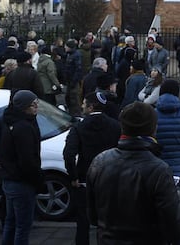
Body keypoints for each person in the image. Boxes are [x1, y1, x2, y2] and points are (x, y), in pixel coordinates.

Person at [86, 102, 180, 244]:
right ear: (153, 129)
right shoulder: (159, 169)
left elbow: (93, 216)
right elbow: (174, 226)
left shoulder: (99, 162)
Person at [63, 92, 121, 245]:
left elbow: (69, 154)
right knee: (108, 220)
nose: (82, 106)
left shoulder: (79, 127)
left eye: (84, 103)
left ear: (90, 107)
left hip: (85, 178)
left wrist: (73, 176)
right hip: (110, 178)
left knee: (83, 220)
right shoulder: (115, 125)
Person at [0, 90, 43, 245]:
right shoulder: (23, 127)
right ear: (24, 107)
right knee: (22, 226)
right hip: (22, 183)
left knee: (11, 222)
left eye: (37, 103)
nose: (37, 107)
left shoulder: (10, 120)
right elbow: (28, 161)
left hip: (10, 179)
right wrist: (38, 181)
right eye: (33, 104)